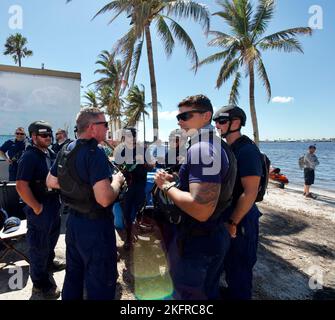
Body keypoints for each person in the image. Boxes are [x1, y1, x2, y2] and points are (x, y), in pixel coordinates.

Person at [154, 94, 235, 300]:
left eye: (186, 116)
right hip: (212, 234)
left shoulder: (202, 149)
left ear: (206, 116)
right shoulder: (215, 144)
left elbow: (200, 209)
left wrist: (167, 186)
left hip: (199, 240)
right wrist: (179, 180)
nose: (180, 121)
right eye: (178, 117)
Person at [46, 107, 125, 300]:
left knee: (74, 275)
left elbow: (51, 181)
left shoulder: (66, 148)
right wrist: (117, 181)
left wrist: (80, 188)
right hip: (96, 227)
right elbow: (104, 198)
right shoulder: (94, 152)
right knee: (101, 282)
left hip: (74, 224)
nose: (107, 129)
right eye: (105, 124)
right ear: (92, 127)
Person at [213, 105, 263, 300]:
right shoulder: (229, 149)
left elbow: (250, 192)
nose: (217, 125)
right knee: (226, 265)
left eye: (222, 121)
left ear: (236, 123)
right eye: (216, 121)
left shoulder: (247, 150)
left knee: (239, 272)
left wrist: (233, 222)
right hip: (228, 215)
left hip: (242, 219)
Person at [16, 121, 63, 299]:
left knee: (51, 240)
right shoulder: (29, 156)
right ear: (34, 137)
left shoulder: (50, 152)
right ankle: (40, 284)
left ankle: (49, 264)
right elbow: (21, 186)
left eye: (50, 135)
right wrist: (36, 207)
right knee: (38, 247)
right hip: (40, 207)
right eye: (44, 135)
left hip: (53, 204)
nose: (48, 138)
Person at [113, 127, 152, 250]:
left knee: (139, 211)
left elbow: (151, 166)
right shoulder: (121, 151)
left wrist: (144, 163)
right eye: (129, 136)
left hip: (140, 186)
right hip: (127, 187)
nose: (132, 139)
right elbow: (118, 167)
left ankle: (139, 233)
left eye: (134, 136)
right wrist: (124, 167)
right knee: (127, 213)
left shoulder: (143, 150)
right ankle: (128, 239)